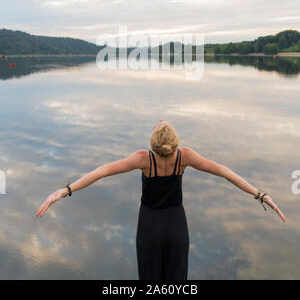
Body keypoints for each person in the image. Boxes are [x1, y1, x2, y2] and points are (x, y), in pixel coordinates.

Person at [36, 119, 286, 280]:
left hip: (150, 226)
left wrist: (65, 190)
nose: (160, 122)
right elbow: (225, 172)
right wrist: (260, 195)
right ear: (174, 143)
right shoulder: (184, 156)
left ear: (153, 142)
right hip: (177, 225)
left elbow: (101, 171)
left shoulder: (144, 159)